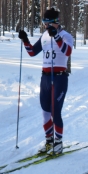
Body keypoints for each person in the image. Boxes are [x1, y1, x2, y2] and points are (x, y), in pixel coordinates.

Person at [18, 8, 74, 154]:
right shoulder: (44, 36)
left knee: (56, 112)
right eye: (44, 23)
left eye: (48, 24)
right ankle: (49, 141)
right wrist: (25, 40)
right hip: (45, 78)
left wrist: (56, 37)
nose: (45, 27)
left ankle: (58, 143)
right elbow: (31, 52)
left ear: (56, 23)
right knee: (45, 111)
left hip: (60, 77)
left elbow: (67, 52)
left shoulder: (66, 36)